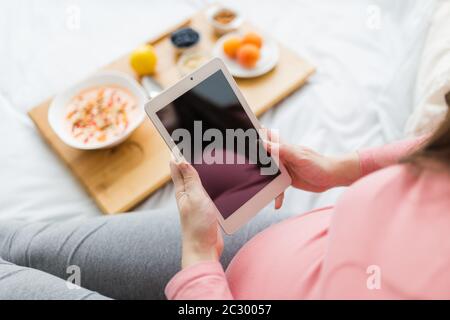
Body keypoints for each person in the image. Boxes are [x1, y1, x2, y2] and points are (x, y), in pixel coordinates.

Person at [1, 108, 449, 299]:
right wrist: (342, 167)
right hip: (264, 246)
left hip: (211, 279)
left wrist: (197, 258)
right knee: (25, 244)